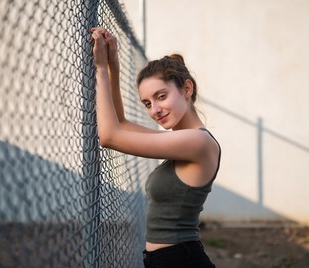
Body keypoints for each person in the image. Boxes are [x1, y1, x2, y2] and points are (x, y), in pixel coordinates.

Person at [90, 27, 220, 268]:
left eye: (161, 96)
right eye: (147, 103)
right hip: (168, 260)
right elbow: (120, 124)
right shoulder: (181, 142)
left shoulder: (198, 142)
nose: (155, 111)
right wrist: (112, 66)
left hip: (181, 260)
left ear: (187, 89)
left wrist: (99, 70)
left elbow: (109, 136)